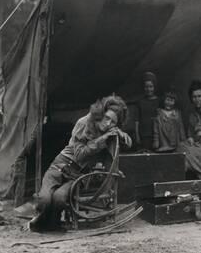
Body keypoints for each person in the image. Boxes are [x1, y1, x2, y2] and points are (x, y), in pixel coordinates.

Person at [29, 95, 132, 232]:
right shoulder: (83, 123)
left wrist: (123, 135)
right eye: (107, 118)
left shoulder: (109, 132)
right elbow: (79, 154)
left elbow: (126, 145)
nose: (108, 124)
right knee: (45, 199)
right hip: (59, 166)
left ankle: (54, 223)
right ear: (100, 114)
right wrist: (101, 140)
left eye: (113, 122)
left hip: (78, 175)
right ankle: (39, 221)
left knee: (59, 198)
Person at [134, 72, 160, 151]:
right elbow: (136, 121)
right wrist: (137, 136)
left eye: (151, 87)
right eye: (146, 87)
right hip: (144, 135)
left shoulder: (159, 101)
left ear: (154, 87)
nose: (149, 89)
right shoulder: (140, 102)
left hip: (157, 135)